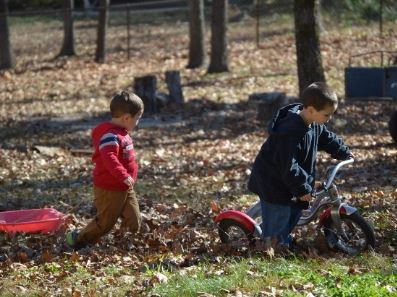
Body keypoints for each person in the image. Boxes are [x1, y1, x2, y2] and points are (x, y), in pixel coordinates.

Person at [248, 82, 352, 253]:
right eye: (327, 115)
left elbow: (326, 137)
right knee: (280, 216)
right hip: (274, 183)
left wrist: (343, 152)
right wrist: (302, 187)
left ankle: (284, 238)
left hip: (290, 182)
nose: (329, 118)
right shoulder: (289, 131)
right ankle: (274, 249)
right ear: (311, 109)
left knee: (294, 213)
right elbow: (288, 165)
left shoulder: (314, 122)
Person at [66, 90, 144, 249]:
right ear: (126, 118)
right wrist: (123, 175)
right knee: (105, 223)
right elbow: (109, 158)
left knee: (134, 219)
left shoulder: (122, 133)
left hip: (125, 187)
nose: (138, 122)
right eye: (138, 119)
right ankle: (78, 238)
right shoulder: (110, 136)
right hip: (109, 188)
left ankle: (126, 243)